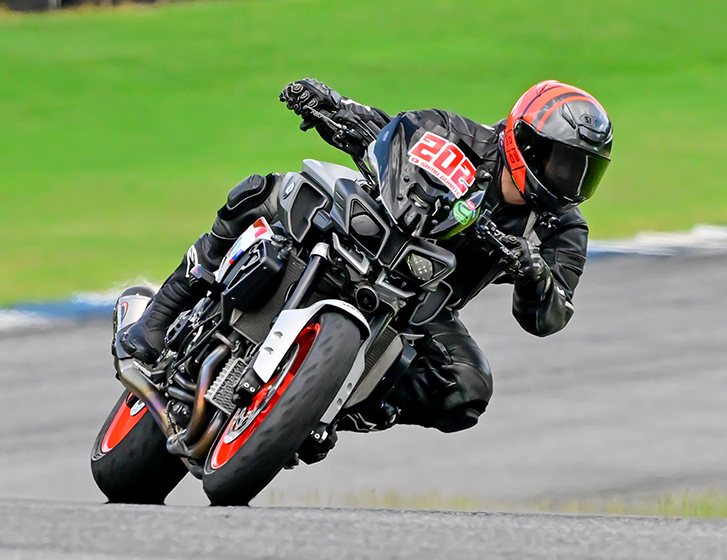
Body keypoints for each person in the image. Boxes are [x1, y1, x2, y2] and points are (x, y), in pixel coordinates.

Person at [120, 77, 612, 443]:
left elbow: (550, 316)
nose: (570, 181)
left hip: (422, 302)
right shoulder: (456, 134)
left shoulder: (561, 226)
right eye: (564, 163)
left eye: (585, 172)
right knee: (263, 191)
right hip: (366, 228)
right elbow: (389, 132)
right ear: (524, 142)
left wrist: (534, 275)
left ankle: (341, 405)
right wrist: (330, 105)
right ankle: (160, 314)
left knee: (467, 386)